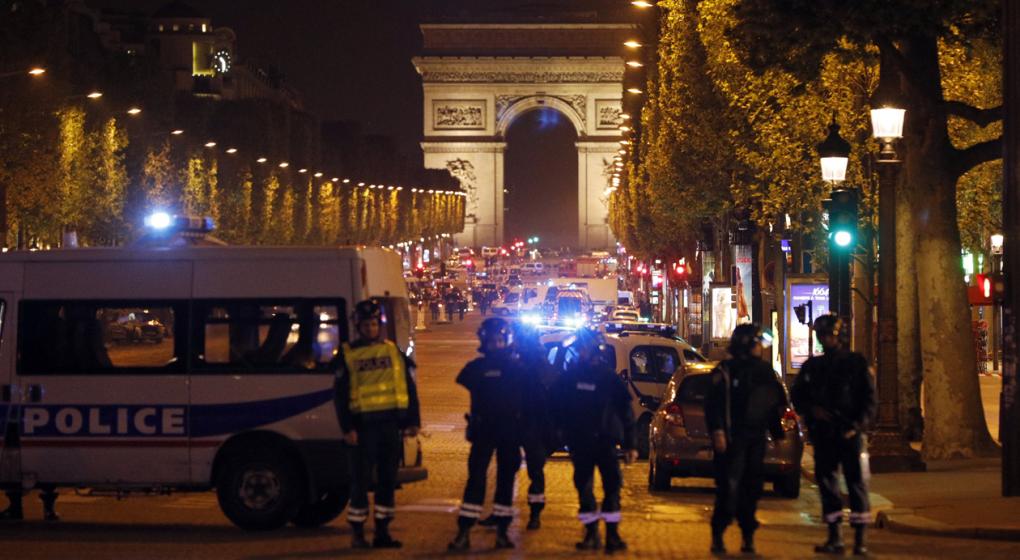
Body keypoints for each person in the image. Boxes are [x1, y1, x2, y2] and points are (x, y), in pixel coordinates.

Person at [335, 299, 421, 549]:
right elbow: (340, 396)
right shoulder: (347, 354)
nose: (371, 328)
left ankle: (382, 532)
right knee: (360, 483)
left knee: (387, 482)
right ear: (358, 326)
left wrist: (412, 422)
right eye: (366, 324)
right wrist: (347, 428)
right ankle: (358, 533)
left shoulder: (393, 351)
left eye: (374, 324)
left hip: (389, 428)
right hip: (362, 429)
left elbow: (408, 388)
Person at [791, 314, 876, 556]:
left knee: (856, 486)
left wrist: (857, 425)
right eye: (823, 336)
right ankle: (835, 536)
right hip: (825, 435)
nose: (826, 340)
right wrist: (812, 411)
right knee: (828, 487)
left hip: (850, 433)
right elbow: (798, 396)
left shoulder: (856, 364)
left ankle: (860, 540)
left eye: (830, 335)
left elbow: (869, 400)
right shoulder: (813, 367)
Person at [705, 324, 787, 555]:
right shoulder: (726, 371)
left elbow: (770, 405)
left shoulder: (763, 371)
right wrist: (718, 431)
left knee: (752, 488)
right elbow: (713, 404)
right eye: (758, 343)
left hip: (755, 439)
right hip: (732, 439)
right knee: (728, 488)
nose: (761, 348)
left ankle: (747, 536)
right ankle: (718, 534)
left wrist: (777, 433)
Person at [553, 329, 636, 553]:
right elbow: (557, 407)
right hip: (580, 443)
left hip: (605, 441)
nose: (581, 353)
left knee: (612, 487)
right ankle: (590, 533)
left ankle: (612, 536)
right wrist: (558, 434)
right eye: (579, 349)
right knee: (584, 487)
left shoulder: (609, 378)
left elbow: (626, 411)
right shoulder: (570, 377)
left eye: (584, 349)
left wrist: (630, 444)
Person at [448, 318, 524, 551]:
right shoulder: (478, 368)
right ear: (484, 341)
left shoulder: (516, 369)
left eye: (500, 341)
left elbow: (533, 401)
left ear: (508, 341)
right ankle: (464, 531)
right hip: (484, 430)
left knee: (505, 481)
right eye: (492, 341)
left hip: (509, 432)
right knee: (475, 480)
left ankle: (502, 531)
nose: (496, 345)